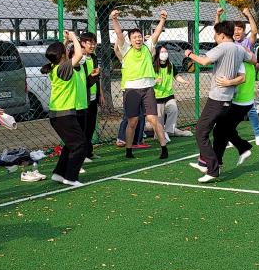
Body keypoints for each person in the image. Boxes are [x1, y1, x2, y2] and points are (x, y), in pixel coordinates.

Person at [182, 21, 252, 183]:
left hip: (217, 98)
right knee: (220, 132)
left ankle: (212, 169)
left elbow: (204, 61)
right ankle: (211, 162)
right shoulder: (239, 49)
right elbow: (252, 61)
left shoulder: (223, 47)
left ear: (221, 35)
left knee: (200, 131)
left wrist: (189, 54)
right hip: (228, 99)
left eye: (215, 34)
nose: (214, 37)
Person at [110, 9, 169, 159]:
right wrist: (114, 19)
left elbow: (156, 33)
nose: (138, 39)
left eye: (139, 37)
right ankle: (129, 150)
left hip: (148, 89)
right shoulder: (125, 49)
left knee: (153, 119)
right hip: (131, 90)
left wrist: (162, 19)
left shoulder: (148, 47)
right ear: (130, 40)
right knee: (133, 121)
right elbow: (119, 34)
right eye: (134, 37)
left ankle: (164, 148)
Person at [42, 32, 87, 187]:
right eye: (66, 51)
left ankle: (59, 174)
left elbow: (63, 52)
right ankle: (71, 177)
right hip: (64, 114)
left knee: (71, 144)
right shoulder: (63, 67)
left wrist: (66, 41)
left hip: (59, 114)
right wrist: (74, 37)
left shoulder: (55, 66)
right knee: (80, 145)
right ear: (62, 55)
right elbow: (79, 55)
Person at [219, 7, 259, 145]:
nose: (237, 31)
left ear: (244, 31)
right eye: (235, 29)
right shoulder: (228, 43)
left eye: (240, 29)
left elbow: (254, 31)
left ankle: (258, 133)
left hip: (246, 78)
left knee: (249, 108)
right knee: (230, 108)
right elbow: (218, 33)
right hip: (232, 77)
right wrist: (218, 16)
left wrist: (248, 15)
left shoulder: (247, 43)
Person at [153, 45, 191, 138]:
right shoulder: (153, 66)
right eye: (162, 52)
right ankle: (159, 134)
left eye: (165, 52)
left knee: (173, 110)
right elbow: (148, 82)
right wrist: (155, 81)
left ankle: (169, 131)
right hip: (157, 97)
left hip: (169, 95)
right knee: (159, 117)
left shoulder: (170, 64)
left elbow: (176, 76)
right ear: (157, 54)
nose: (164, 54)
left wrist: (184, 81)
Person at [78, 32, 102, 162]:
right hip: (82, 98)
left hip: (93, 97)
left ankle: (88, 152)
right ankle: (81, 155)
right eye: (90, 43)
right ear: (82, 43)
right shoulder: (78, 59)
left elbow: (96, 77)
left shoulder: (93, 57)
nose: (92, 46)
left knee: (91, 126)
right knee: (82, 127)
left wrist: (100, 94)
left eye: (94, 43)